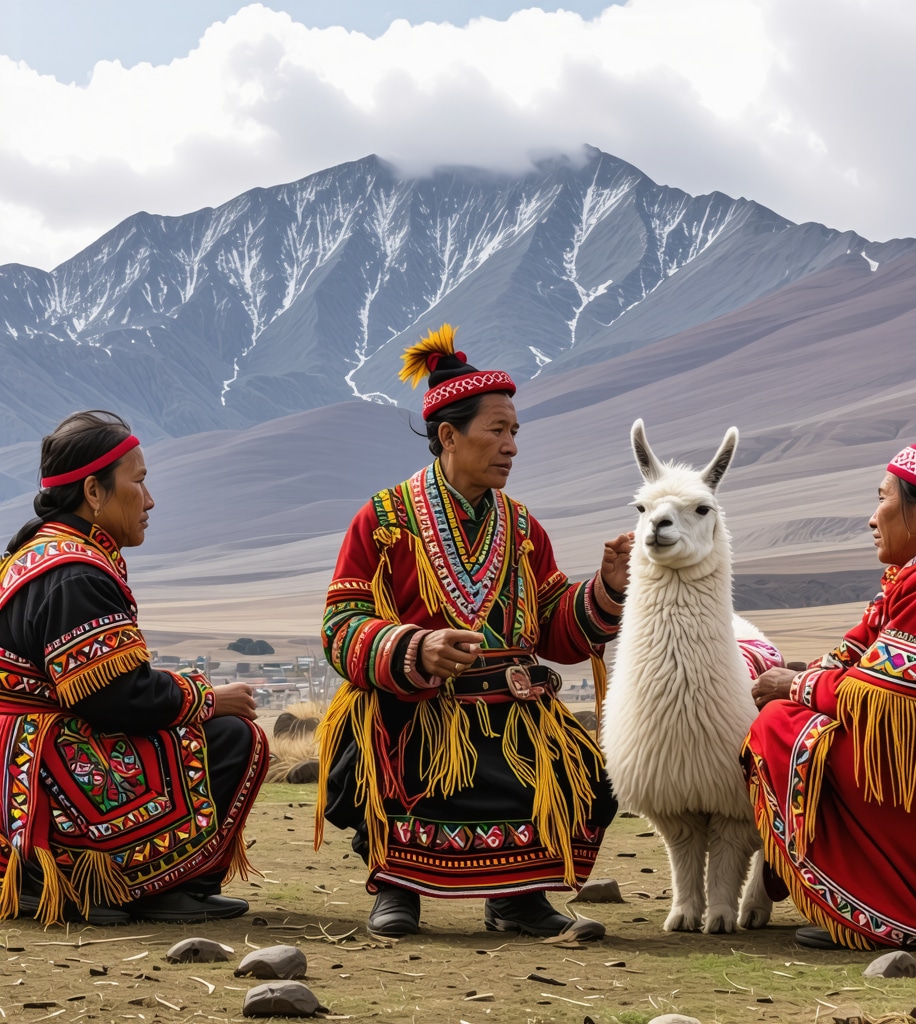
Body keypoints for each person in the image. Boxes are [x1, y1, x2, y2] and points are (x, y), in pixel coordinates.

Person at [315, 325, 631, 939]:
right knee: (394, 743)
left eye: (515, 432)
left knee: (591, 774)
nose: (511, 446)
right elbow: (340, 625)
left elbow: (554, 631)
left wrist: (605, 590)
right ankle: (398, 887)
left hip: (512, 709)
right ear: (449, 436)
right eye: (498, 430)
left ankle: (518, 898)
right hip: (419, 706)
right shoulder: (384, 520)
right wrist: (414, 648)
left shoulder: (524, 528)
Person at [743, 433, 916, 950]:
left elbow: (876, 697)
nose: (873, 518)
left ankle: (883, 908)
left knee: (783, 728)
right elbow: (857, 662)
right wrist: (807, 678)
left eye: (882, 499)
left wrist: (793, 685)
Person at [0, 411, 269, 926]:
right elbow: (114, 699)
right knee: (233, 736)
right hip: (39, 762)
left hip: (20, 752)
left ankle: (120, 881)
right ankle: (146, 883)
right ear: (93, 492)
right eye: (139, 482)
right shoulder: (74, 573)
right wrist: (208, 699)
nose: (149, 501)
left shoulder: (38, 553)